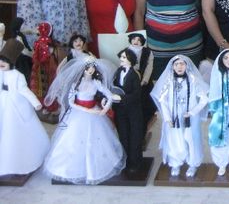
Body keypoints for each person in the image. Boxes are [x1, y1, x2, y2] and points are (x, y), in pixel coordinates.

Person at [44, 55, 125, 184]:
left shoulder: (96, 83)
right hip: (79, 114)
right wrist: (88, 110)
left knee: (97, 140)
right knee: (72, 140)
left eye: (93, 68)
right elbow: (71, 102)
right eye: (88, 68)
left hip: (95, 113)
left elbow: (109, 95)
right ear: (83, 69)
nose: (91, 70)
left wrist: (105, 109)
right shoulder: (76, 85)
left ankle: (96, 169)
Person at [151, 55, 209, 178]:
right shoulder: (169, 81)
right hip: (174, 116)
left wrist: (193, 112)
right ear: (172, 67)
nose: (179, 67)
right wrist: (167, 117)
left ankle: (193, 164)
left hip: (190, 117)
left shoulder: (193, 80)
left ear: (187, 66)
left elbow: (204, 99)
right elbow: (163, 100)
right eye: (176, 64)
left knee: (191, 140)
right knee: (175, 139)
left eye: (182, 64)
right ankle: (175, 163)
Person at [0, 54, 50, 176]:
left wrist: (35, 103)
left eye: (4, 61)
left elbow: (24, 90)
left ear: (11, 62)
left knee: (15, 129)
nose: (1, 63)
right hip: (2, 103)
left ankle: (22, 159)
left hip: (15, 104)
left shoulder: (17, 75)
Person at [112, 49, 144, 173]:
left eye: (124, 57)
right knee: (123, 135)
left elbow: (137, 95)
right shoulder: (118, 71)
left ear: (130, 60)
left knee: (135, 136)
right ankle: (125, 160)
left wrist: (122, 98)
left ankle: (135, 162)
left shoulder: (135, 75)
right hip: (120, 110)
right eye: (121, 57)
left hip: (133, 110)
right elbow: (115, 87)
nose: (121, 59)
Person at [127, 33, 155, 129]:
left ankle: (146, 122)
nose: (136, 41)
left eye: (139, 40)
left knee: (145, 99)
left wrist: (145, 80)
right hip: (130, 78)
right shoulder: (126, 51)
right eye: (134, 39)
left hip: (143, 77)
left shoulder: (147, 52)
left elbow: (149, 67)